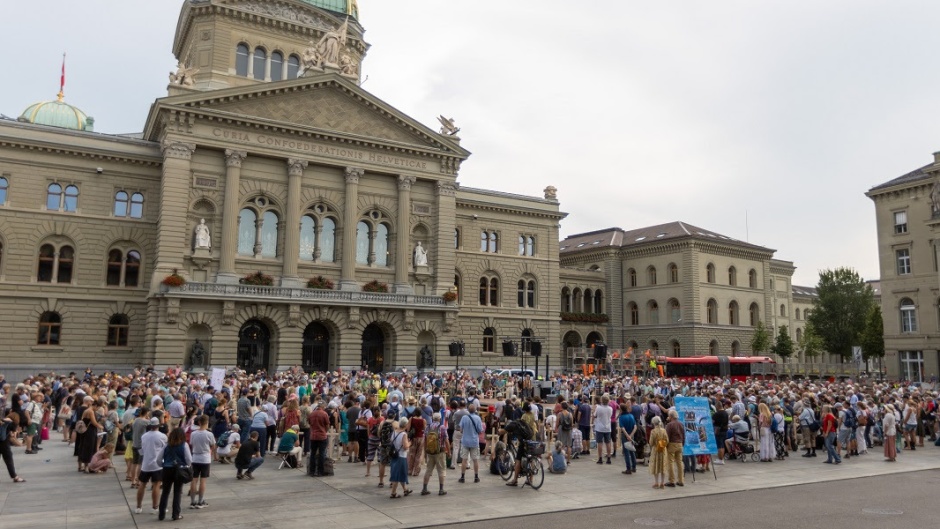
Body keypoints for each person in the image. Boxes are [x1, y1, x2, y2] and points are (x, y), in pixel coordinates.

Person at [159, 428, 192, 522]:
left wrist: (163, 465)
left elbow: (158, 459)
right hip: (179, 470)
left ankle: (161, 514)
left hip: (167, 469)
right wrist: (187, 466)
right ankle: (175, 514)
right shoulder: (184, 445)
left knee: (165, 492)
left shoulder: (166, 445)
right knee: (177, 492)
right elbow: (189, 459)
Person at [136, 417, 166, 515]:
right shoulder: (162, 436)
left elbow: (142, 449)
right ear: (158, 425)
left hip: (146, 463)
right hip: (157, 464)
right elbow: (164, 449)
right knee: (156, 485)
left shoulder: (144, 436)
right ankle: (155, 507)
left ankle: (138, 506)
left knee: (142, 484)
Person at [188, 415, 215, 509]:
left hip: (195, 457)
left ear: (199, 423)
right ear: (206, 423)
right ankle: (200, 500)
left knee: (194, 480)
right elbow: (213, 445)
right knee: (203, 480)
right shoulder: (209, 434)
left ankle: (192, 501)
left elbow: (191, 444)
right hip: (205, 458)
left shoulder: (193, 433)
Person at [500, 416, 533, 487]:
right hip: (530, 440)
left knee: (518, 459)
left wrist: (498, 431)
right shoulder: (521, 422)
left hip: (523, 443)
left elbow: (503, 431)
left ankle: (515, 480)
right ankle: (530, 479)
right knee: (530, 459)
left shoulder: (511, 425)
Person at [421, 412, 449, 496]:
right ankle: (441, 489)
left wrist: (425, 451)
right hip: (440, 451)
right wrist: (449, 451)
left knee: (428, 470)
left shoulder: (428, 427)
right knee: (441, 470)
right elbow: (446, 440)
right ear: (440, 419)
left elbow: (425, 439)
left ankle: (424, 488)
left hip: (430, 452)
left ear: (433, 418)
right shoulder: (442, 427)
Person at [458, 403, 484, 484]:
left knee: (464, 460)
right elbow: (480, 431)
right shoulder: (478, 418)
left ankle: (462, 477)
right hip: (474, 441)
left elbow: (461, 430)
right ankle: (476, 477)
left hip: (465, 441)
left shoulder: (464, 418)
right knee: (475, 460)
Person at [388, 417, 413, 498]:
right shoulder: (404, 434)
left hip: (394, 455)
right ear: (405, 425)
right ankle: (393, 493)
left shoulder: (394, 432)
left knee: (400, 473)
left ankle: (405, 489)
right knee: (397, 474)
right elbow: (405, 446)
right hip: (401, 456)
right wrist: (410, 443)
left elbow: (391, 441)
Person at [0, 414, 25, 483]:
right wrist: (20, 444)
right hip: (4, 445)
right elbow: (12, 437)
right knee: (9, 460)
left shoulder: (2, 420)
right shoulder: (10, 423)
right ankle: (15, 477)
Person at [308, 401, 330, 477]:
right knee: (322, 454)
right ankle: (320, 471)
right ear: (323, 407)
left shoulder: (311, 414)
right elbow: (327, 425)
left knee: (313, 454)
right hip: (322, 436)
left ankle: (312, 471)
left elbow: (310, 424)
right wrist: (324, 431)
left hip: (313, 436)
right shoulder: (324, 414)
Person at [664, 410, 684, 487]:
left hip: (672, 444)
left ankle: (672, 480)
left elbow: (666, 437)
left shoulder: (670, 425)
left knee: (670, 462)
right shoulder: (681, 424)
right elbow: (683, 435)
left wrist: (665, 445)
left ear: (671, 416)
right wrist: (683, 444)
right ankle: (681, 480)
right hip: (680, 444)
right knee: (679, 462)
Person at [648, 416, 668, 489]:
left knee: (655, 466)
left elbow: (651, 442)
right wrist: (662, 444)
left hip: (656, 450)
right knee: (663, 466)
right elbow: (667, 440)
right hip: (663, 449)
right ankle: (662, 482)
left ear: (654, 423)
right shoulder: (664, 430)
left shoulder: (653, 431)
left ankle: (656, 482)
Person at [618, 402, 637, 475]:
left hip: (625, 435)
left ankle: (628, 468)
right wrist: (631, 435)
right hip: (631, 434)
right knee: (632, 451)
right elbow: (635, 427)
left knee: (626, 453)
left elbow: (622, 428)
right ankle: (634, 467)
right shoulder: (631, 416)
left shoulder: (621, 418)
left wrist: (627, 436)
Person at [594, 395, 613, 465]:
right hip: (607, 427)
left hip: (599, 427)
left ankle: (600, 458)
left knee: (599, 443)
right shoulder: (610, 408)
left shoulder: (598, 408)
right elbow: (610, 416)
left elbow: (595, 415)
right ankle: (609, 457)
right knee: (608, 443)